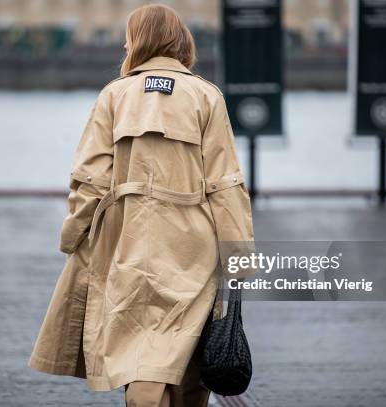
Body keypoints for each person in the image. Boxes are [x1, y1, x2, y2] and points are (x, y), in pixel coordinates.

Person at [29, 4, 254, 406]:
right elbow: (225, 185)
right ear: (181, 41)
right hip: (193, 245)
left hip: (128, 242)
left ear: (139, 42)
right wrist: (239, 256)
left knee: (142, 356)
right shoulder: (206, 96)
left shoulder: (114, 95)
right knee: (188, 357)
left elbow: (90, 180)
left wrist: (73, 235)